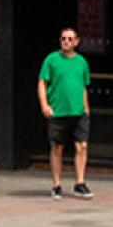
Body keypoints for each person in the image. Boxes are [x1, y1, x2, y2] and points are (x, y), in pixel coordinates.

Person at [37, 26, 92, 199]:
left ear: (76, 42)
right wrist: (44, 105)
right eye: (63, 39)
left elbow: (83, 86)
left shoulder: (82, 62)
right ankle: (57, 184)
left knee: (82, 146)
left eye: (69, 39)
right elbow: (42, 83)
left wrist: (86, 107)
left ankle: (80, 182)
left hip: (78, 110)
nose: (66, 42)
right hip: (58, 111)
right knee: (57, 147)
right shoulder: (51, 60)